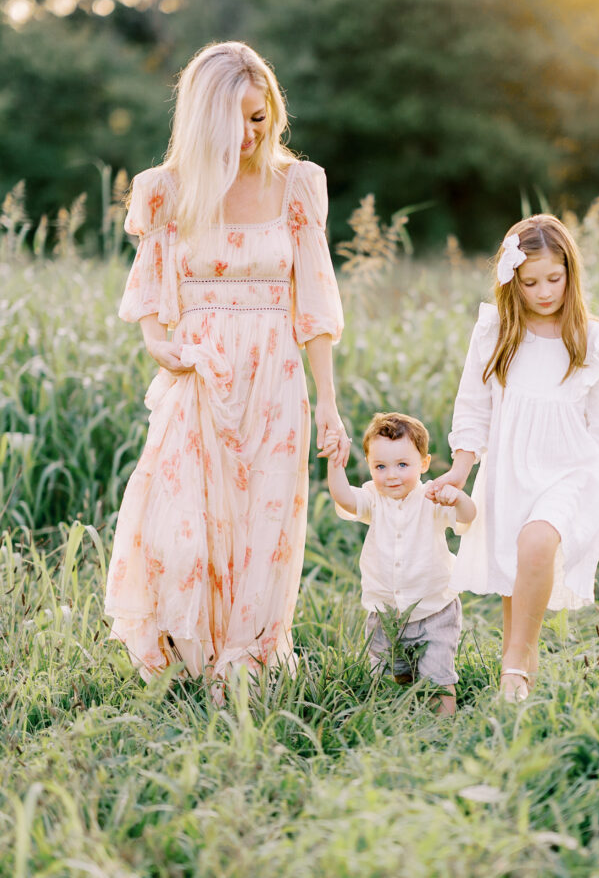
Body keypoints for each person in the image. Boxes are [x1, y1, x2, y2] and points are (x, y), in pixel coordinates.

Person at [104, 41, 348, 695]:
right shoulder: (166, 192)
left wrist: (329, 402)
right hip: (200, 371)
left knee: (268, 517)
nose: (248, 134)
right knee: (185, 518)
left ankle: (247, 656)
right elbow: (151, 297)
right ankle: (194, 647)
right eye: (234, 119)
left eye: (260, 118)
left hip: (275, 373)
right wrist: (162, 346)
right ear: (202, 118)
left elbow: (316, 303)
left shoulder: (298, 185)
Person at [427, 215, 599, 703]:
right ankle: (520, 670)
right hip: (511, 469)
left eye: (554, 279)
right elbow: (473, 408)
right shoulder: (497, 331)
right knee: (514, 571)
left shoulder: (590, 339)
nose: (544, 292)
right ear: (512, 282)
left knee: (538, 541)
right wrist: (460, 469)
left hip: (572, 471)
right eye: (530, 282)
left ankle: (514, 667)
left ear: (571, 273)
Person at [326, 412, 476, 716]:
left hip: (434, 610)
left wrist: (456, 497)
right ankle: (393, 722)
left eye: (402, 465)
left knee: (438, 676)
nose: (391, 475)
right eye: (380, 467)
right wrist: (334, 461)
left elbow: (468, 516)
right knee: (388, 678)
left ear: (424, 463)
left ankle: (445, 727)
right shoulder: (373, 498)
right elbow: (344, 497)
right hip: (385, 614)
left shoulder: (432, 497)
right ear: (369, 466)